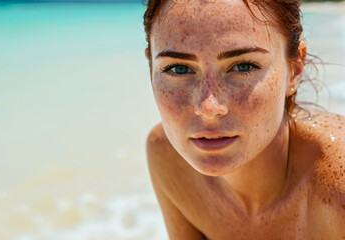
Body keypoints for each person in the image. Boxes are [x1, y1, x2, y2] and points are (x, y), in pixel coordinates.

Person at [143, 0, 345, 239]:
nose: (208, 108)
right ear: (151, 67)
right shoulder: (168, 158)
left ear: (295, 68)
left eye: (243, 66)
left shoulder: (337, 186)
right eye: (178, 69)